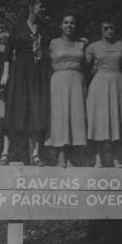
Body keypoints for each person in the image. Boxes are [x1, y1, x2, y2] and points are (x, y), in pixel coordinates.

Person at [0, 0, 50, 166]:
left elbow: (53, 47)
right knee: (14, 107)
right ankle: (5, 153)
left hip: (38, 72)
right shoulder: (18, 25)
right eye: (40, 6)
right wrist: (5, 73)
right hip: (20, 70)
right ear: (31, 7)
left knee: (37, 111)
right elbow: (8, 50)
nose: (43, 9)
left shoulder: (44, 28)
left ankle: (36, 154)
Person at [85, 17, 122, 168]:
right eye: (106, 28)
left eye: (112, 28)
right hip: (99, 86)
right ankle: (98, 159)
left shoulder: (121, 45)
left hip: (117, 85)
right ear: (101, 29)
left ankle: (115, 159)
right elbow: (83, 68)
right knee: (98, 122)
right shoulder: (92, 47)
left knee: (117, 121)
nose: (109, 31)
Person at [45, 14, 87, 167]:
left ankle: (69, 158)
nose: (69, 25)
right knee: (60, 118)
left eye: (72, 23)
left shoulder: (81, 44)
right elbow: (45, 62)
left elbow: (87, 64)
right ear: (61, 26)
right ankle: (60, 157)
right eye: (66, 23)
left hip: (76, 82)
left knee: (75, 120)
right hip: (59, 82)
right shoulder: (53, 43)